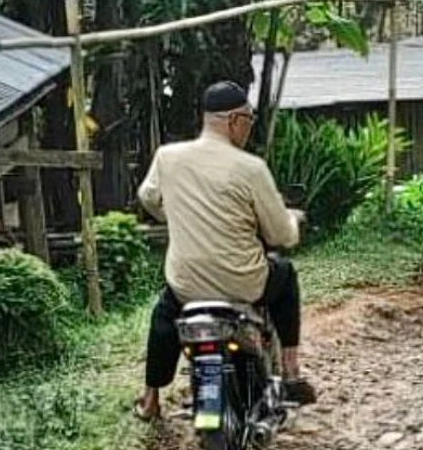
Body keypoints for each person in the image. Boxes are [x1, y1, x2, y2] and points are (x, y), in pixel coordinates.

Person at [133, 81, 315, 420]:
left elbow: (148, 196)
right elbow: (279, 234)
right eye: (249, 119)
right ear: (234, 120)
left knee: (163, 314)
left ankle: (150, 399)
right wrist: (292, 222)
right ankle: (290, 370)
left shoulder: (168, 157)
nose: (249, 126)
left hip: (188, 286)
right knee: (285, 274)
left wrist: (175, 214)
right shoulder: (250, 168)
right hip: (243, 284)